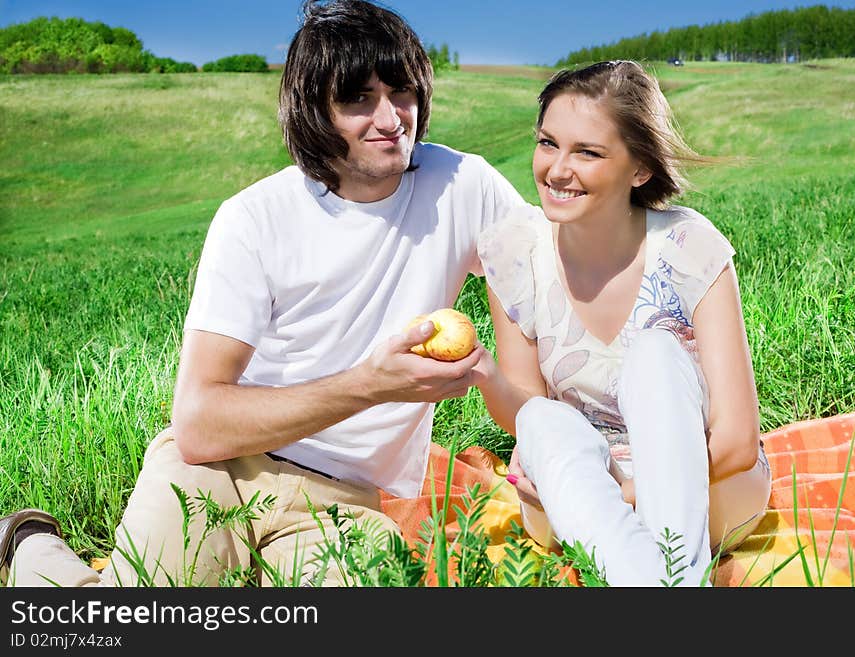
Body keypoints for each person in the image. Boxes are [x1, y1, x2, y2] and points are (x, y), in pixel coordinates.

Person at [0, 0, 526, 587]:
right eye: (358, 99)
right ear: (314, 113)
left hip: (347, 505)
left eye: (401, 91)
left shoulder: (465, 185)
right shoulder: (253, 218)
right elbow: (199, 423)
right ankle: (29, 543)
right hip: (221, 469)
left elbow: (559, 270)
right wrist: (371, 386)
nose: (390, 118)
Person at [473, 60, 771, 586]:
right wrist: (485, 376)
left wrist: (619, 501)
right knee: (542, 420)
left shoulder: (688, 248)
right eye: (548, 143)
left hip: (704, 481)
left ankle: (665, 577)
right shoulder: (515, 251)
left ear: (640, 168)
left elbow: (737, 441)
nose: (557, 169)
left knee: (656, 353)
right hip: (578, 484)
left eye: (587, 152)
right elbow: (524, 412)